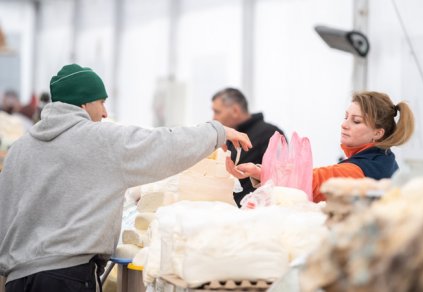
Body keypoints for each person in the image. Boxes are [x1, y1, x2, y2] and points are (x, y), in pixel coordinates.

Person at [0, 64, 252, 292]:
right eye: (101, 102)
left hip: (16, 279)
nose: (105, 112)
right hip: (66, 278)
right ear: (83, 104)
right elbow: (162, 145)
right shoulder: (98, 139)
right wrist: (216, 132)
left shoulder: (19, 150)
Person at [226, 91, 415, 203]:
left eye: (356, 121)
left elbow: (314, 180)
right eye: (345, 117)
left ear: (378, 133)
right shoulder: (384, 158)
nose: (344, 124)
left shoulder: (361, 169)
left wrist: (259, 172)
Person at [211, 87, 284, 206]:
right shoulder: (229, 137)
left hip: (253, 212)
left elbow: (282, 176)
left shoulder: (271, 134)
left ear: (235, 110)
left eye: (217, 112)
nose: (214, 118)